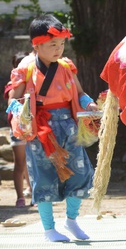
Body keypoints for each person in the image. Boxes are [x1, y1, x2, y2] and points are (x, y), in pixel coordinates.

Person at [6, 15, 96, 242]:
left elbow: (81, 94)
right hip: (40, 129)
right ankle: (49, 229)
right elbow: (12, 99)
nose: (59, 49)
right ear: (36, 45)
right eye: (52, 44)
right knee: (43, 177)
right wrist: (21, 111)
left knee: (82, 172)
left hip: (68, 126)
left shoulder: (66, 66)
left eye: (62, 44)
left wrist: (91, 104)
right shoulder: (25, 68)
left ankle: (72, 220)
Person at [5, 52, 33, 208]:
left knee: (33, 163)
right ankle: (20, 197)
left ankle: (34, 195)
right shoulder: (12, 85)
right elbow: (11, 97)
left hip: (33, 128)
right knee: (20, 164)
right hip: (18, 129)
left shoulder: (34, 82)